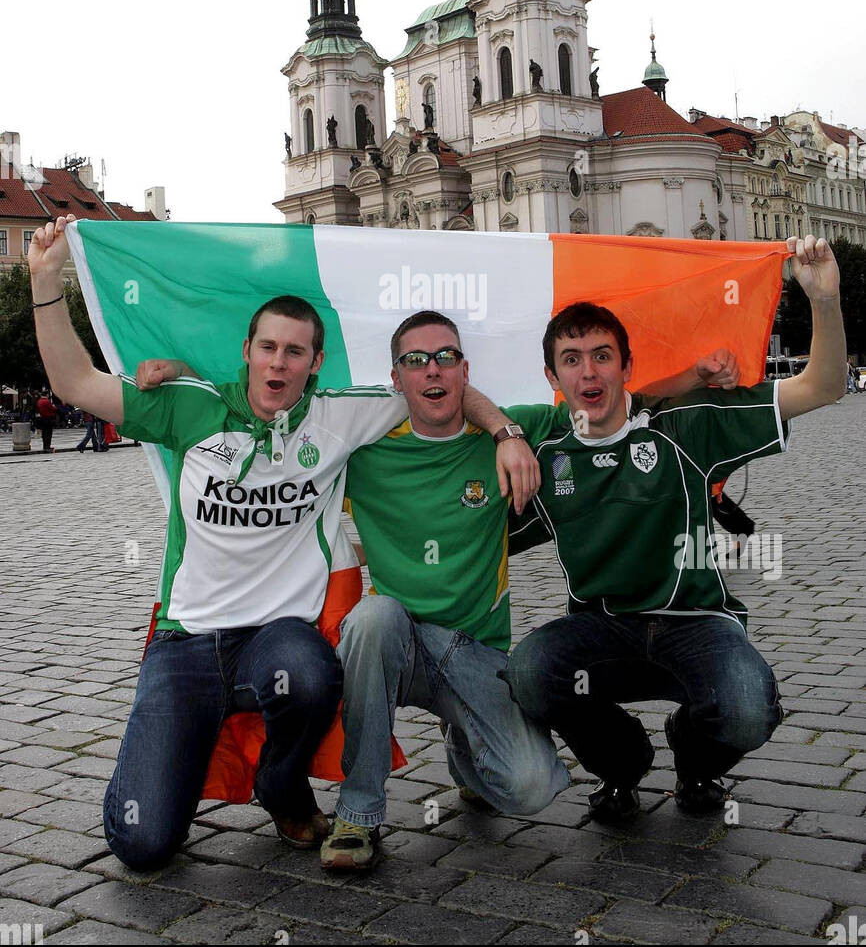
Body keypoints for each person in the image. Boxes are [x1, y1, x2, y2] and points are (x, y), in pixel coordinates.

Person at [27, 216, 532, 872]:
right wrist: (44, 281)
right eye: (268, 347)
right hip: (188, 643)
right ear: (247, 351)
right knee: (142, 845)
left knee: (317, 674)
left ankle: (282, 784)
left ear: (315, 363)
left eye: (295, 352)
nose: (279, 362)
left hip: (277, 638)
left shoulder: (339, 412)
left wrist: (503, 431)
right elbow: (74, 383)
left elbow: (435, 391)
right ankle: (198, 748)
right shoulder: (188, 404)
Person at [503, 235, 847, 822]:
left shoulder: (683, 427)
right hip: (602, 629)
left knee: (746, 709)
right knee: (530, 671)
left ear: (627, 365)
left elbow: (824, 387)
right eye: (572, 358)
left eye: (602, 355)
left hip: (696, 624)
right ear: (551, 375)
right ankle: (622, 764)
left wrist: (824, 300)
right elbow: (482, 535)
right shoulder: (547, 457)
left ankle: (694, 756)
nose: (589, 371)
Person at [320, 311, 571, 870]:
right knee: (372, 617)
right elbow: (278, 420)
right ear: (395, 378)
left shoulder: (510, 429)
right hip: (397, 647)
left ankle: (466, 748)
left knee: (530, 788)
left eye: (445, 358)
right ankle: (357, 814)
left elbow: (603, 409)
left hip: (476, 651)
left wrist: (507, 433)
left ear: (465, 369)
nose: (432, 371)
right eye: (415, 360)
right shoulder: (366, 450)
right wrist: (183, 374)